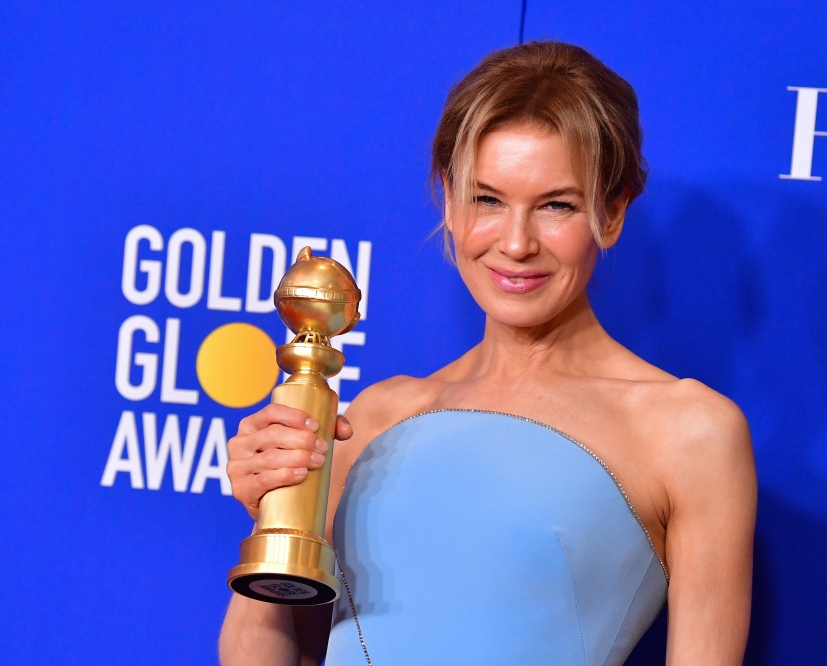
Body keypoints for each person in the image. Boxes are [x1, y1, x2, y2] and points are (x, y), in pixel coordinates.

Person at [219, 41, 756, 666]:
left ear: (611, 213)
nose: (517, 242)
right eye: (488, 199)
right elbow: (267, 653)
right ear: (449, 200)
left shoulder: (689, 432)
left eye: (557, 205)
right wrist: (271, 517)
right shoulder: (372, 416)